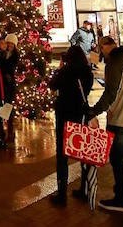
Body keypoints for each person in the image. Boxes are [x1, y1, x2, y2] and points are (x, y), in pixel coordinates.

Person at [86, 35, 123, 213]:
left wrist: (94, 111)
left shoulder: (115, 63)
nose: (101, 52)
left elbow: (111, 93)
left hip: (121, 118)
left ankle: (121, 198)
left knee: (118, 158)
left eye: (101, 48)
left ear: (106, 46)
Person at [47, 44, 94, 206]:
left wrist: (60, 69)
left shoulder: (66, 71)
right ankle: (84, 189)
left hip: (64, 114)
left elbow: (52, 84)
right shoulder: (87, 71)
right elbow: (87, 90)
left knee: (62, 154)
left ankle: (62, 195)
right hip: (80, 113)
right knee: (82, 152)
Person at [0, 32, 19, 144]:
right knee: (2, 107)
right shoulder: (2, 54)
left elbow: (9, 67)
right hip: (2, 83)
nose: (9, 45)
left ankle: (10, 132)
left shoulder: (14, 55)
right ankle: (3, 132)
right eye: (8, 43)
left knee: (8, 107)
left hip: (9, 85)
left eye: (11, 44)